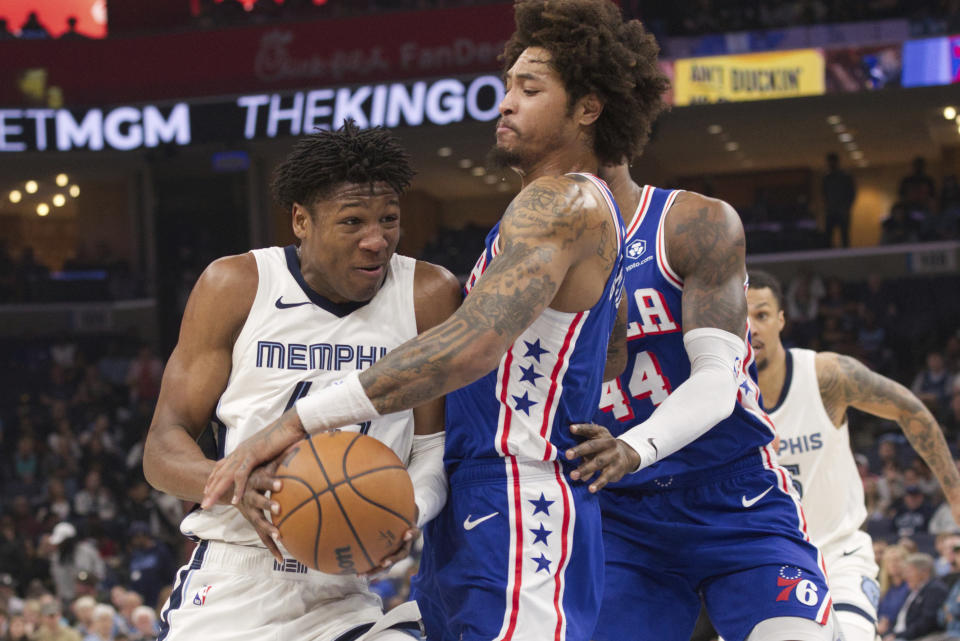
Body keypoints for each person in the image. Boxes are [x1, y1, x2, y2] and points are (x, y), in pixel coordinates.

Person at [202, 1, 669, 638]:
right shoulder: (575, 208)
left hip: (517, 497)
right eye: (508, 86)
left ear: (588, 108)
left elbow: (470, 347)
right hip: (479, 498)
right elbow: (608, 351)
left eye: (529, 90)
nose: (505, 102)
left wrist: (294, 423)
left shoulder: (558, 202)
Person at [142, 122, 462, 641]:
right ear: (301, 221)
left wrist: (410, 512)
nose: (376, 240)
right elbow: (161, 449)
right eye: (352, 221)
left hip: (345, 586)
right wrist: (229, 484)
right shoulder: (236, 284)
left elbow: (432, 446)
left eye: (389, 219)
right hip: (234, 577)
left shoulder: (427, 293)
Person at [562, 161, 840, 638]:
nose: (506, 108)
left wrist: (634, 447)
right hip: (619, 513)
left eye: (528, 87)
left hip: (732, 492)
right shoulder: (523, 251)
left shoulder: (687, 223)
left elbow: (718, 382)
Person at [746, 270, 960, 641]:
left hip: (839, 554)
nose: (751, 327)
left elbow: (910, 410)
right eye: (741, 316)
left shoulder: (826, 376)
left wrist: (955, 494)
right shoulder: (719, 394)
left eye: (762, 315)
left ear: (782, 319)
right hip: (766, 563)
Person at [885, 553, 948, 640]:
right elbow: (899, 618)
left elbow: (927, 622)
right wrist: (889, 633)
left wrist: (897, 636)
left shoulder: (935, 589)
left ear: (925, 572)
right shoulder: (912, 591)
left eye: (909, 571)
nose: (905, 576)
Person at [822, 152, 856, 248]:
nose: (830, 164)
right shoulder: (827, 178)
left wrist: (846, 207)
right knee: (828, 234)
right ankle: (828, 252)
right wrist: (827, 206)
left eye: (832, 162)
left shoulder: (845, 177)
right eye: (829, 162)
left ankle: (845, 252)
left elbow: (851, 193)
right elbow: (824, 194)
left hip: (842, 210)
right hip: (831, 210)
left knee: (844, 234)